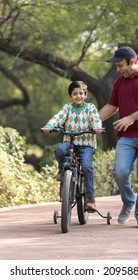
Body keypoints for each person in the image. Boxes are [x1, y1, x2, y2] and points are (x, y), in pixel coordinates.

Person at [99, 46, 138, 229]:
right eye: (117, 67)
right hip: (126, 136)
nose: (118, 70)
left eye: (120, 66)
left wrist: (131, 117)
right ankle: (128, 201)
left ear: (132, 62)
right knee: (119, 172)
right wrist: (91, 122)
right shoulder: (120, 82)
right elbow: (111, 106)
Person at [42, 81, 102, 210]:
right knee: (59, 151)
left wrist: (97, 128)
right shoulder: (67, 108)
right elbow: (58, 117)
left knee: (86, 166)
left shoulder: (90, 107)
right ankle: (62, 169)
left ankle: (90, 198)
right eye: (75, 94)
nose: (78, 96)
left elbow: (95, 119)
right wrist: (49, 126)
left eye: (81, 93)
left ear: (85, 94)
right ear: (70, 96)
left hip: (86, 144)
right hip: (70, 143)